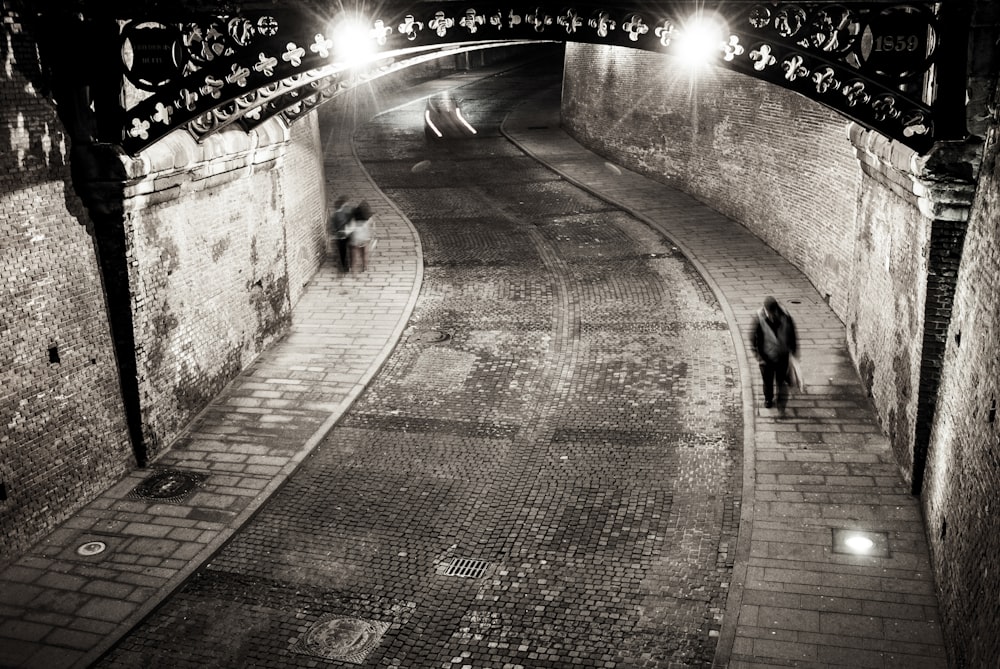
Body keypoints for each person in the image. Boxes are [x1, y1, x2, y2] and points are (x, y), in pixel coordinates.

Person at [751, 296, 798, 411]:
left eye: (772, 312)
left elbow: (792, 334)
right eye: (769, 312)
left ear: (776, 309)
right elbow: (753, 338)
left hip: (782, 355)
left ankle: (781, 401)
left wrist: (793, 351)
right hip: (766, 357)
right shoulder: (759, 318)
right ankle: (768, 399)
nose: (771, 315)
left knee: (781, 380)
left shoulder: (785, 317)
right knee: (767, 381)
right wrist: (758, 355)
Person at [328, 196, 354, 272]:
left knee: (343, 252)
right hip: (347, 234)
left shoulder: (335, 215)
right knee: (348, 250)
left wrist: (335, 233)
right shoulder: (344, 214)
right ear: (342, 205)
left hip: (341, 236)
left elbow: (332, 228)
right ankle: (349, 265)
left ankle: (345, 266)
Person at [348, 200, 373, 273]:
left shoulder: (353, 219)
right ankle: (365, 267)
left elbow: (350, 228)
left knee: (354, 254)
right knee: (365, 253)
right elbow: (371, 226)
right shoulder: (368, 219)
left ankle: (353, 268)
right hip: (365, 237)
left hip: (355, 238)